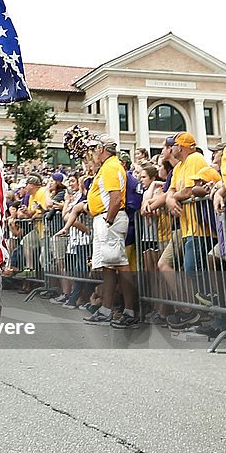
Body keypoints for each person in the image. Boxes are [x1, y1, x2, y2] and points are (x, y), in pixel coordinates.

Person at [164, 131, 220, 329]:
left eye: (175, 145)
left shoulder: (195, 158)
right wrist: (171, 198)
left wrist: (174, 198)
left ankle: (214, 308)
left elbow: (189, 190)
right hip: (189, 229)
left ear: (181, 146)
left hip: (202, 229)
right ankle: (211, 311)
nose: (172, 149)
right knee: (191, 269)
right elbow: (171, 192)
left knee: (192, 269)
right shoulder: (179, 167)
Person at [82, 134, 137, 328]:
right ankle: (106, 309)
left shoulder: (111, 166)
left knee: (120, 264)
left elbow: (115, 198)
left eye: (95, 149)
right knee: (110, 266)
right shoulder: (110, 166)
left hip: (110, 219)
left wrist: (108, 220)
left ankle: (130, 311)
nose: (93, 153)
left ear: (101, 149)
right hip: (107, 218)